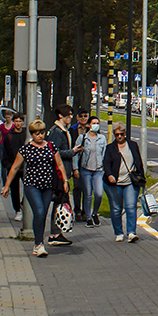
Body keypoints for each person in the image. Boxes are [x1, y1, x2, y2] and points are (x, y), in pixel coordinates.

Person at [2, 119, 69, 256]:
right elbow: (15, 167)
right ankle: (38, 243)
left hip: (48, 185)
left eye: (42, 133)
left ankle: (39, 243)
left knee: (43, 214)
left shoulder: (51, 146)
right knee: (38, 211)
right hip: (32, 185)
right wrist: (6, 186)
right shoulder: (26, 149)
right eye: (37, 133)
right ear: (32, 134)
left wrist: (65, 180)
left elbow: (60, 164)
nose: (40, 136)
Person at [103, 124, 145, 242]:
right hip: (115, 183)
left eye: (122, 134)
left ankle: (131, 232)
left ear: (125, 134)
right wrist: (110, 175)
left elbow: (139, 162)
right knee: (116, 208)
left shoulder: (132, 145)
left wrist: (141, 177)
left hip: (130, 182)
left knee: (131, 207)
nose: (120, 137)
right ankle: (119, 232)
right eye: (117, 135)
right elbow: (106, 163)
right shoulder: (110, 148)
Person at [47, 105, 78, 246]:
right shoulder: (57, 132)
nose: (70, 117)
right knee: (59, 202)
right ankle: (54, 234)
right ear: (60, 116)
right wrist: (72, 152)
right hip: (59, 174)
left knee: (60, 202)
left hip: (63, 172)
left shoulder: (62, 131)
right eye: (68, 115)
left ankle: (57, 232)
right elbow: (55, 152)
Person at [75, 116, 106, 227]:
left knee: (98, 194)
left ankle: (95, 213)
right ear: (89, 125)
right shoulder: (83, 138)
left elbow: (104, 154)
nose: (96, 125)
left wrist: (104, 168)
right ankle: (88, 217)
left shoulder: (102, 138)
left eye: (97, 123)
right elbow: (76, 154)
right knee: (88, 194)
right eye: (93, 123)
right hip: (86, 170)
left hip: (98, 170)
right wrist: (75, 169)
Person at [2, 114, 26, 221]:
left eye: (20, 121)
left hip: (26, 167)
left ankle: (24, 204)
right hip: (13, 167)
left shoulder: (27, 134)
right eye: (16, 121)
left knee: (29, 188)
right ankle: (18, 210)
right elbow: (5, 152)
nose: (18, 123)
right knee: (15, 190)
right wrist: (7, 165)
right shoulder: (9, 136)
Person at [71, 109, 90, 219]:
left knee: (86, 188)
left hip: (88, 162)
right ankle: (77, 210)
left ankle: (85, 211)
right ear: (77, 118)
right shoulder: (73, 129)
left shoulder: (90, 129)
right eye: (81, 116)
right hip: (77, 161)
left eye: (85, 116)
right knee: (77, 187)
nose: (83, 118)